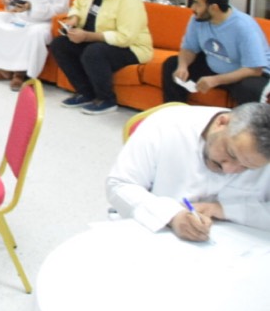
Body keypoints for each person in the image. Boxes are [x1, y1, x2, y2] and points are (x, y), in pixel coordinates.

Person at [107, 102, 270, 241]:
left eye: (247, 167)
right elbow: (120, 184)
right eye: (231, 154)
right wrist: (171, 215)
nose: (229, 169)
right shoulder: (167, 124)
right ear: (221, 123)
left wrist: (222, 210)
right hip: (153, 233)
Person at [50, 0, 152, 116]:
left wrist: (87, 36)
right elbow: (78, 5)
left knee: (94, 52)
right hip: (95, 39)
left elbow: (125, 37)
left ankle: (107, 100)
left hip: (131, 47)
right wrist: (74, 19)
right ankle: (86, 93)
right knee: (60, 45)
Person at [162, 0, 270, 105]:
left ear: (214, 8)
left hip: (245, 73)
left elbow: (254, 70)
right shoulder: (198, 19)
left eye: (198, 4)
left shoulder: (243, 26)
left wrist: (215, 80)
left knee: (249, 88)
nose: (193, 8)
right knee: (172, 65)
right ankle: (175, 111)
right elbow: (189, 48)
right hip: (215, 66)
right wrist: (182, 66)